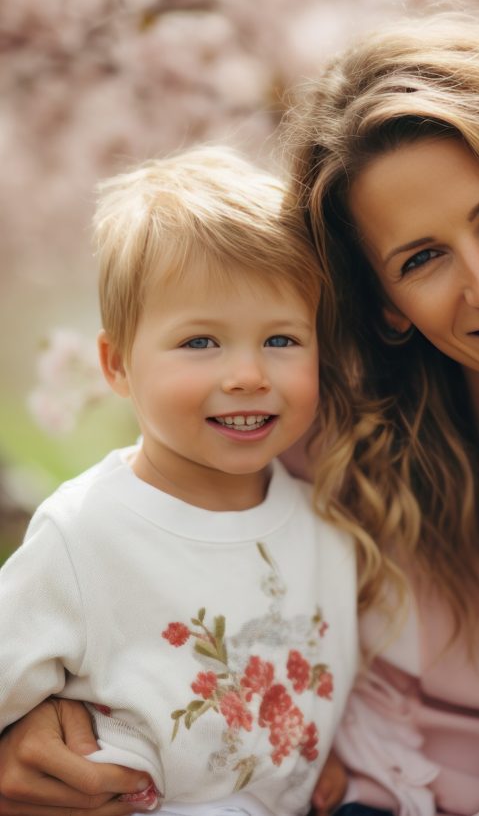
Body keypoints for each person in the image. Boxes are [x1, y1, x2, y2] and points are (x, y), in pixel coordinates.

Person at [3, 10, 479, 816]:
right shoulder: (321, 439)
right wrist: (27, 734)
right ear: (389, 303)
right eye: (423, 258)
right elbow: (130, 547)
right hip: (365, 804)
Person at [0, 146, 363, 816]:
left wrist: (313, 752)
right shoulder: (85, 533)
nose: (248, 375)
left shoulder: (323, 527)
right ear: (117, 366)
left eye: (282, 340)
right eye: (201, 342)